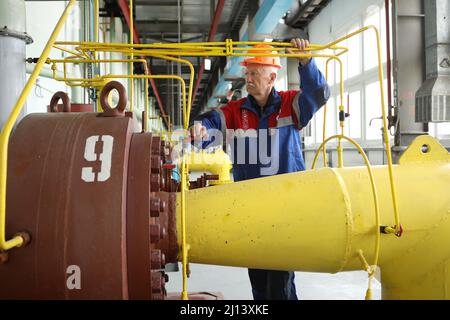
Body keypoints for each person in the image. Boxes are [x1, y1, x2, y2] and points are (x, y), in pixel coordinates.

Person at [188, 38, 330, 300]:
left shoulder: (291, 105)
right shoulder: (236, 111)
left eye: (255, 73)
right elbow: (211, 122)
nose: (248, 77)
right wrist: (201, 129)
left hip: (284, 205)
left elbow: (319, 93)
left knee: (279, 280)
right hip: (250, 205)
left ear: (272, 76)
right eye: (248, 72)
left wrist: (306, 62)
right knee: (258, 277)